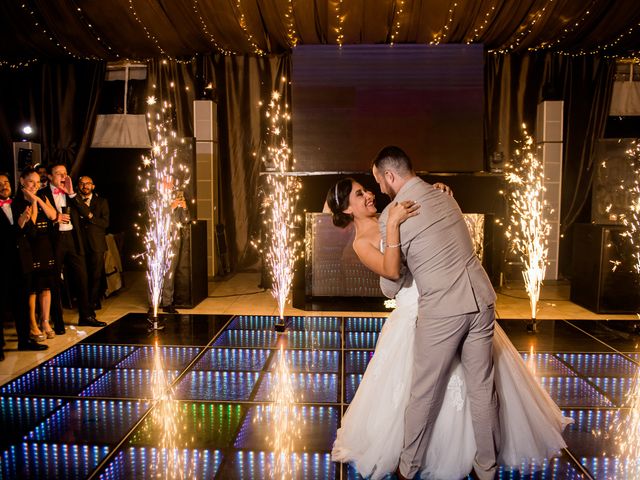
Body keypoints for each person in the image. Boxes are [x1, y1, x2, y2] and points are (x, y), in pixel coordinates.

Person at [327, 175, 572, 480]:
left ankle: (480, 452)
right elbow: (391, 272)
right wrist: (392, 227)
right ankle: (424, 456)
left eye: (366, 190)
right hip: (416, 309)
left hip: (449, 298)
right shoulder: (363, 242)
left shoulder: (393, 210)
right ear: (348, 210)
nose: (369, 196)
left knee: (478, 382)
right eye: (359, 195)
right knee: (423, 389)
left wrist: (437, 194)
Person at [43, 162, 105, 331]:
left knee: (82, 278)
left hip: (73, 238)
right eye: (58, 173)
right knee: (54, 281)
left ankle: (86, 316)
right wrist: (55, 218)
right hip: (54, 241)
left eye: (65, 173)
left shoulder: (73, 194)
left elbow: (86, 214)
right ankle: (58, 321)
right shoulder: (42, 194)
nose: (63, 177)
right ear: (49, 176)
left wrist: (71, 193)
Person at [0, 172, 48, 357]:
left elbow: (31, 233)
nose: (4, 186)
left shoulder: (16, 204)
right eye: (0, 183)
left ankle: (24, 340)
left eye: (6, 182)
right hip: (4, 263)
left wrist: (26, 221)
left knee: (21, 303)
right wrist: (19, 224)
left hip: (22, 261)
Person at [13, 169, 59, 343]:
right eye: (31, 181)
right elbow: (30, 227)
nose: (35, 185)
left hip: (44, 245)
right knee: (32, 288)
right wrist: (32, 202)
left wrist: (38, 199)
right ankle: (32, 324)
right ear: (22, 181)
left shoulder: (42, 197)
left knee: (46, 286)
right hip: (29, 246)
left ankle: (45, 321)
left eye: (38, 182)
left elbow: (53, 216)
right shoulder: (18, 202)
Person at [78, 176, 109, 310]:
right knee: (83, 274)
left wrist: (90, 217)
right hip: (80, 243)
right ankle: (84, 301)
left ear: (93, 186)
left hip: (96, 244)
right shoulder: (75, 201)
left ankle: (93, 301)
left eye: (88, 184)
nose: (85, 186)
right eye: (82, 184)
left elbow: (105, 223)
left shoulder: (101, 202)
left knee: (96, 274)